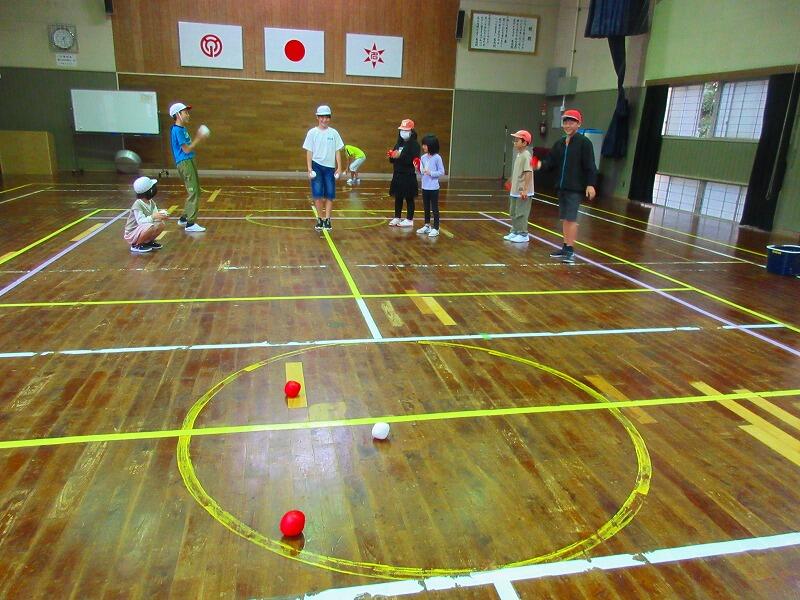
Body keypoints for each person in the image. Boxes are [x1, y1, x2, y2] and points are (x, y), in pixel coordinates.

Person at [534, 109, 597, 264]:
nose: (568, 125)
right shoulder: (560, 143)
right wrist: (539, 164)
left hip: (575, 188)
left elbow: (590, 165)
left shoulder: (584, 143)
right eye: (565, 122)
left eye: (571, 122)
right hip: (562, 187)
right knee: (565, 219)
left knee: (571, 218)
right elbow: (551, 162)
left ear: (578, 124)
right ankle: (565, 247)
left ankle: (570, 250)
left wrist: (590, 184)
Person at [169, 102, 209, 233]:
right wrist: (199, 137)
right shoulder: (177, 130)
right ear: (178, 115)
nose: (188, 114)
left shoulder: (182, 129)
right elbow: (186, 149)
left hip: (189, 161)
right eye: (185, 112)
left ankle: (184, 218)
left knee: (196, 190)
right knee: (194, 192)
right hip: (185, 162)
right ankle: (190, 223)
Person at [303, 105, 344, 231]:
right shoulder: (312, 133)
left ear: (329, 118)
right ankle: (320, 219)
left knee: (330, 194)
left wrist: (339, 167)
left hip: (330, 168)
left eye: (327, 117)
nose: (324, 120)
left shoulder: (334, 133)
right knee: (317, 194)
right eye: (322, 117)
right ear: (317, 117)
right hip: (316, 166)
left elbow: (337, 151)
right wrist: (309, 168)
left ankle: (327, 219)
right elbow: (309, 151)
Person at [388, 118, 420, 228]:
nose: (403, 132)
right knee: (398, 196)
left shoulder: (415, 145)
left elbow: (412, 160)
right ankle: (397, 217)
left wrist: (400, 156)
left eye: (406, 130)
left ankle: (409, 219)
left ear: (411, 131)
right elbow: (393, 159)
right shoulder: (398, 144)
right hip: (398, 174)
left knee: (409, 198)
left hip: (408, 175)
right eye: (402, 130)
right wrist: (392, 156)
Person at [504, 129, 535, 243]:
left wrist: (525, 189)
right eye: (515, 140)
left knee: (521, 213)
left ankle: (523, 234)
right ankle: (515, 231)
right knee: (513, 212)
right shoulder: (519, 155)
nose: (515, 142)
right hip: (515, 190)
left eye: (517, 140)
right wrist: (511, 180)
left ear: (525, 143)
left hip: (522, 191)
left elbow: (528, 172)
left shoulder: (526, 155)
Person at [123, 176, 167, 253]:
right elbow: (141, 222)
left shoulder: (151, 202)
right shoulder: (138, 204)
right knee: (150, 227)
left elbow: (155, 215)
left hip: (143, 228)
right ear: (149, 191)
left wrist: (161, 216)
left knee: (161, 224)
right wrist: (153, 217)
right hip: (132, 233)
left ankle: (147, 242)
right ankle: (136, 245)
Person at [417, 134, 445, 237]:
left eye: (425, 145)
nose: (423, 147)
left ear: (431, 145)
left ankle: (436, 228)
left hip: (433, 187)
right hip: (425, 186)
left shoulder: (437, 158)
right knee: (426, 207)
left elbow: (441, 172)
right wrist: (418, 169)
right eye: (423, 145)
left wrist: (431, 173)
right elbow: (422, 172)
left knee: (434, 208)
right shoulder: (423, 157)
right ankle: (427, 225)